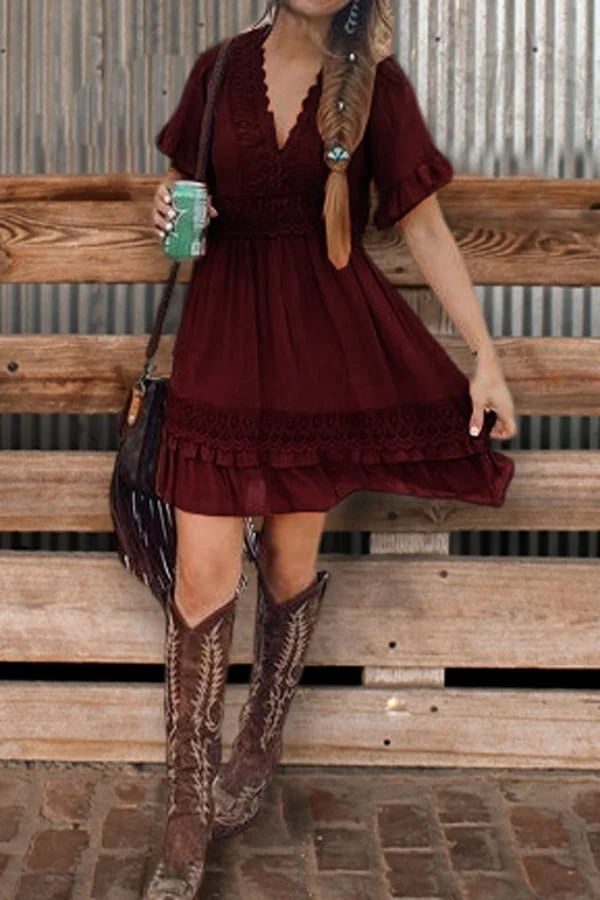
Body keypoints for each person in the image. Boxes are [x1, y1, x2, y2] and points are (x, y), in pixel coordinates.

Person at [145, 1, 517, 896]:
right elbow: (181, 188)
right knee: (200, 578)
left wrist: (486, 357)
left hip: (320, 357)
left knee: (285, 563)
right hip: (223, 343)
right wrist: (164, 206)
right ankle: (187, 809)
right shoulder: (217, 70)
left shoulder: (378, 87)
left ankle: (260, 740)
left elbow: (424, 226)